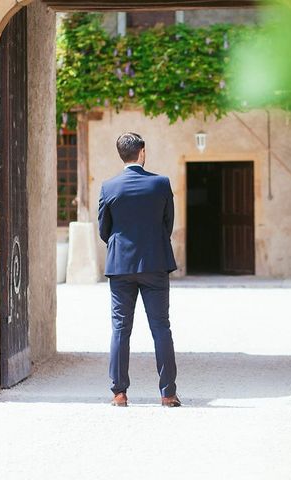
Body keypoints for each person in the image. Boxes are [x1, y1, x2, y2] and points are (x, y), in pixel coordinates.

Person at [97, 132, 180, 407]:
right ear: (142, 152)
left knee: (120, 328)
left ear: (120, 154)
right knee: (161, 328)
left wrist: (121, 247)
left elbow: (104, 230)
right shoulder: (161, 183)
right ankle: (168, 393)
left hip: (120, 265)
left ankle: (119, 393)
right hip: (155, 263)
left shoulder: (109, 187)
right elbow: (168, 223)